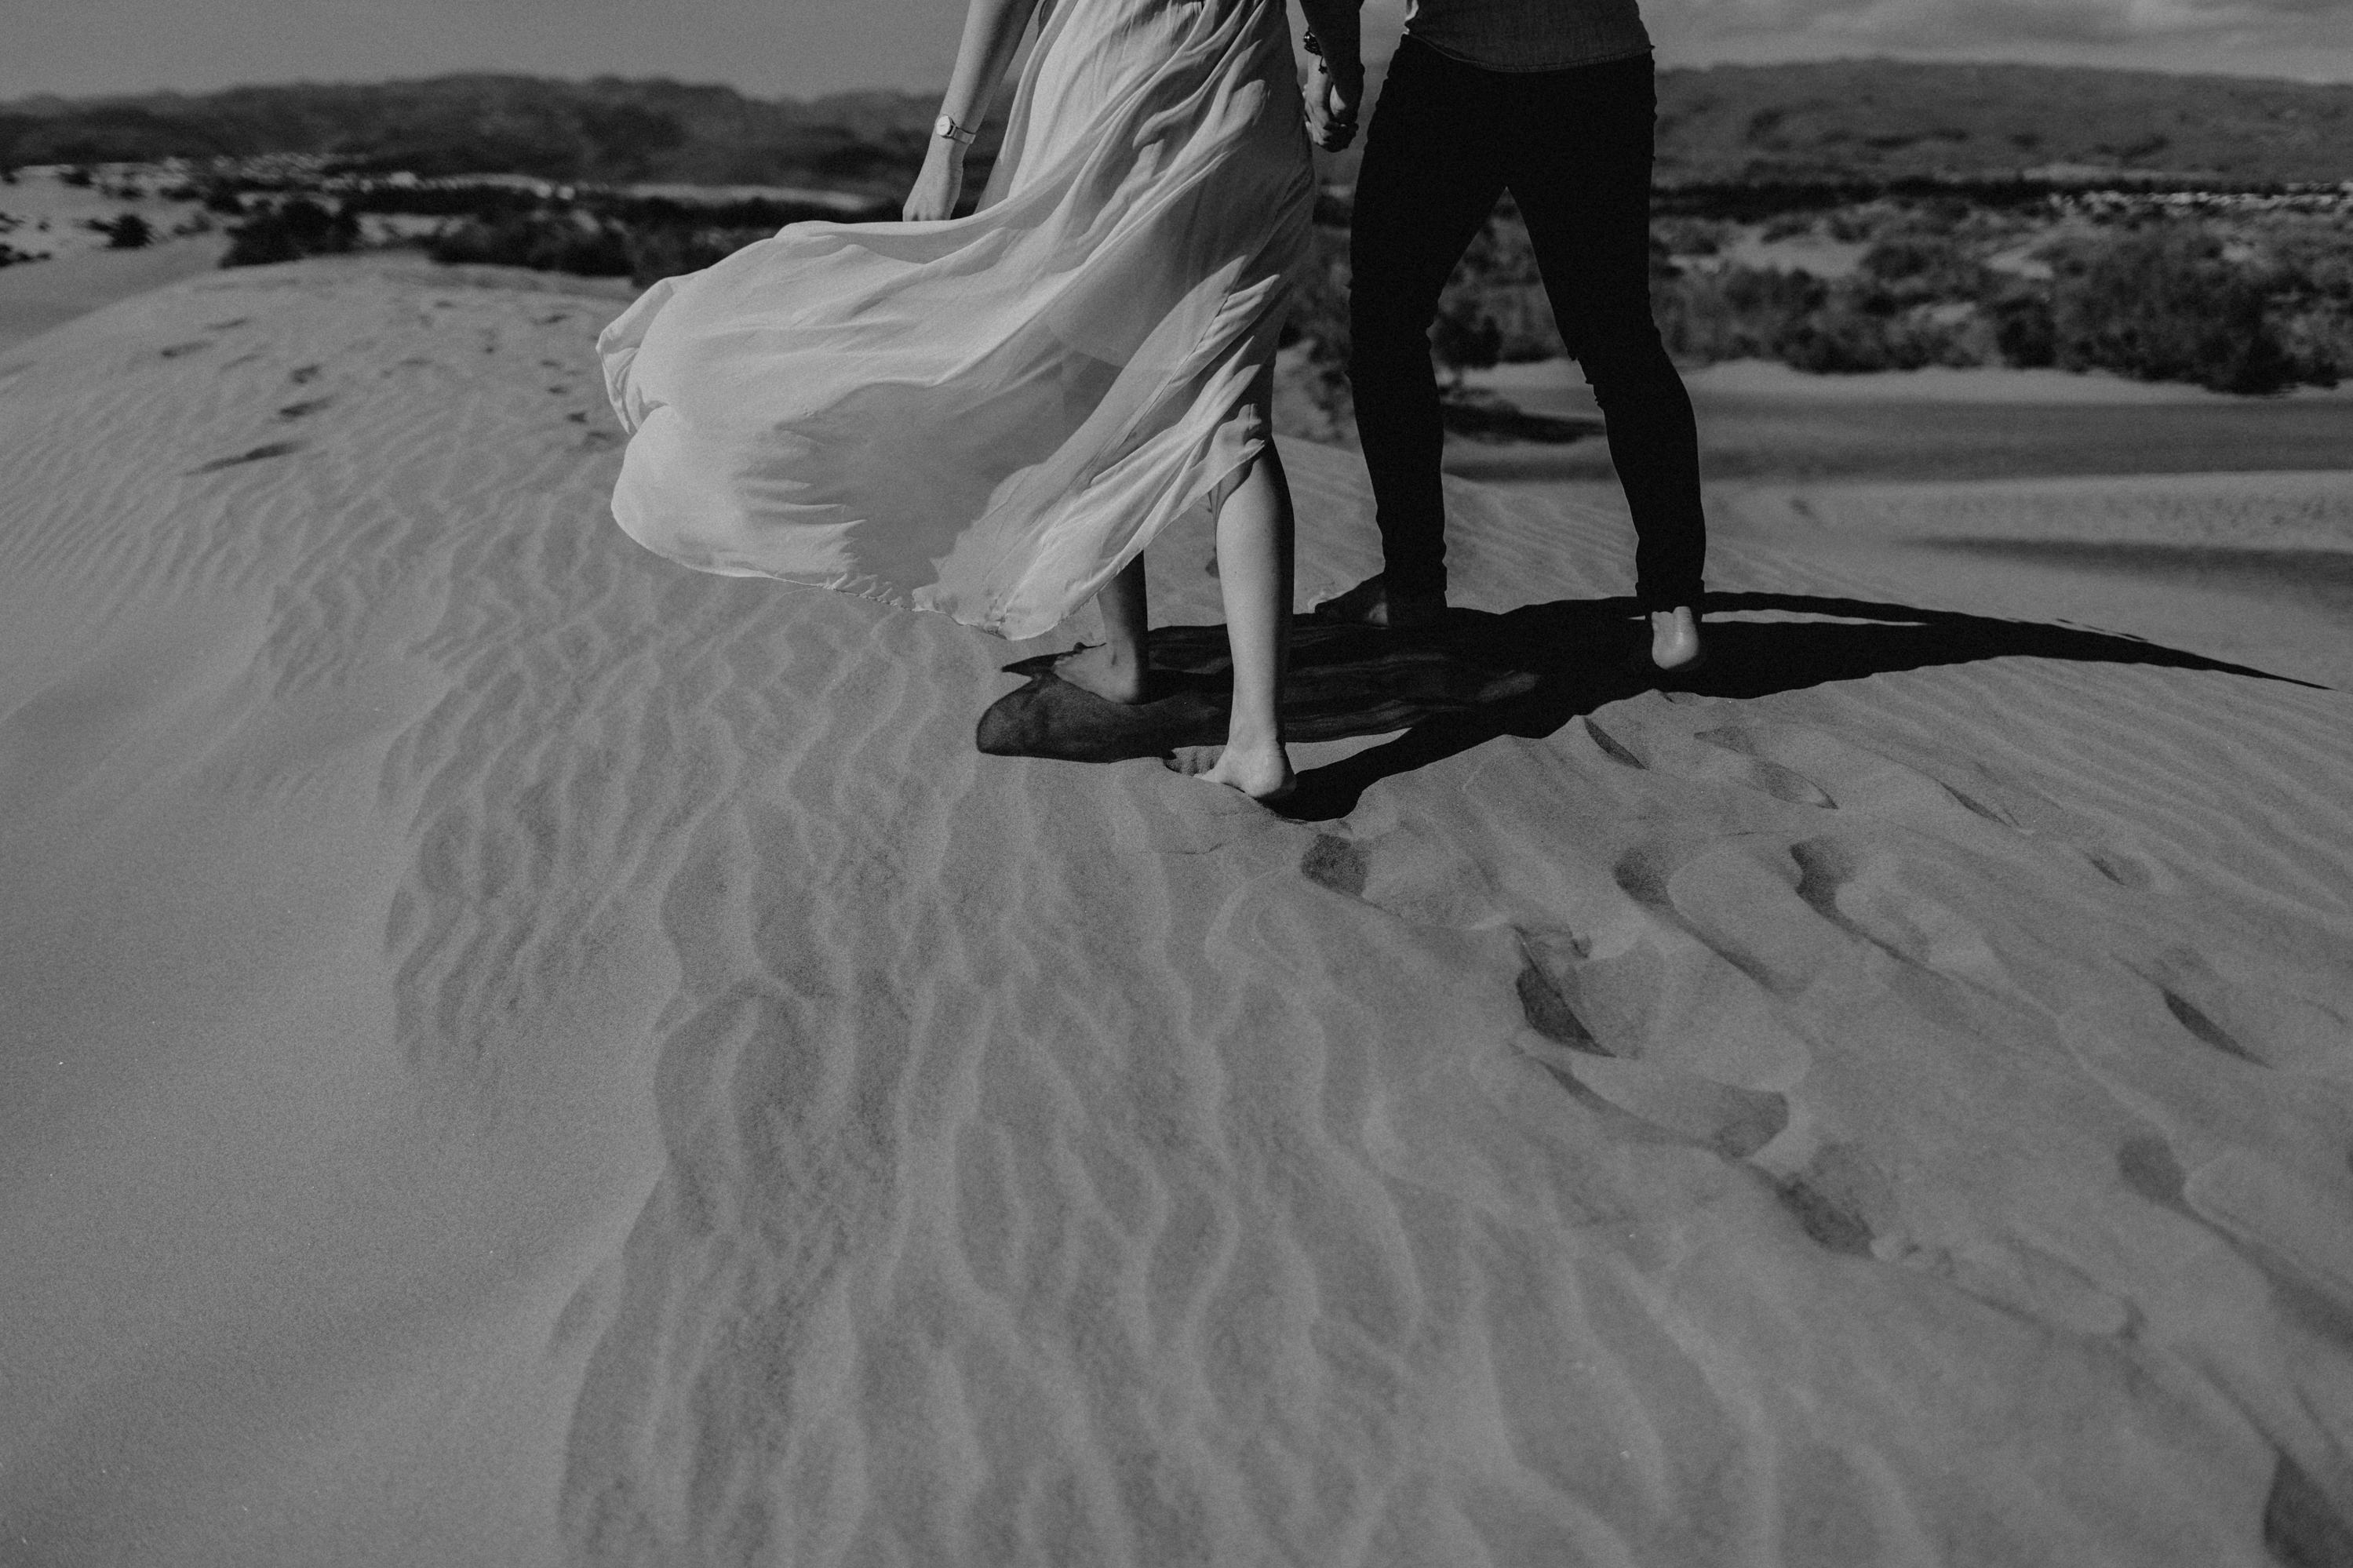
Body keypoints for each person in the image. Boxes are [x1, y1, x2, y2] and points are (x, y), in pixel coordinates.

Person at [599, 0, 1368, 800]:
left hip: (1108, 95)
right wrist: (1333, 65)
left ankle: (1127, 657)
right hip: (1245, 104)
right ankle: (1256, 737)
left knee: (1076, 379)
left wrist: (948, 145)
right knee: (1235, 417)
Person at [1307, 0, 1708, 671]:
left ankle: (1411, 587)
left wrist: (1335, 62)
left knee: (1386, 321)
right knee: (1619, 338)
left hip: (1454, 66)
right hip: (1600, 67)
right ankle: (1675, 607)